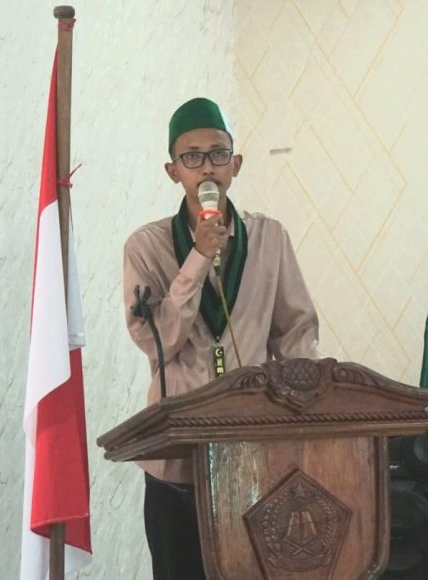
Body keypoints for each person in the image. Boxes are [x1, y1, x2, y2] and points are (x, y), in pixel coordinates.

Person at [123, 97, 319, 579]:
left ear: (236, 163)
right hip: (176, 466)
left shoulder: (269, 238)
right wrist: (196, 259)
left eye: (217, 153)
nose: (206, 167)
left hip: (252, 459)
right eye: (192, 157)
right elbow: (158, 342)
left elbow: (296, 333)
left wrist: (305, 417)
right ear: (173, 171)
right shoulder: (145, 247)